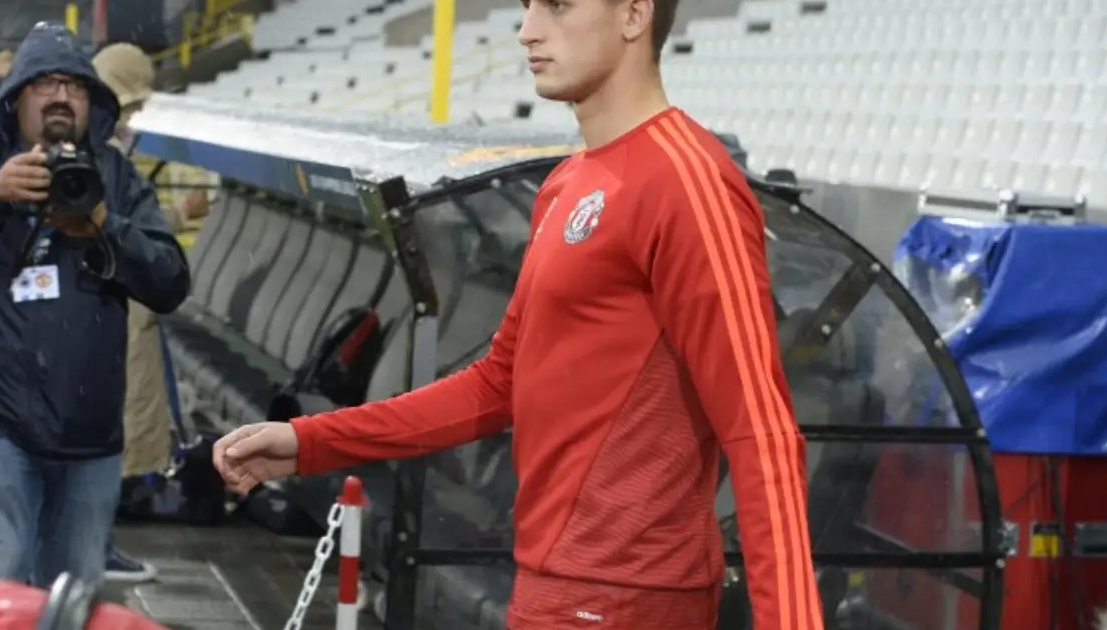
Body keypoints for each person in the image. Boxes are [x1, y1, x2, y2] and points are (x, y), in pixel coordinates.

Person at [213, 0, 823, 628]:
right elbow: (498, 381)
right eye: (528, 6)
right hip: (550, 586)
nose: (528, 30)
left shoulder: (689, 183)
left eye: (558, 5)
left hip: (628, 600)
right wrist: (312, 440)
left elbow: (762, 433)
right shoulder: (565, 184)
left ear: (634, 15)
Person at [0, 23, 191, 588]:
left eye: (74, 85)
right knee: (1, 582)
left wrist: (102, 226)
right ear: (17, 96)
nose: (60, 96)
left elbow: (169, 282)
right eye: (45, 83)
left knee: (74, 593)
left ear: (92, 102)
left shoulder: (114, 176)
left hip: (89, 433)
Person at [92, 41, 210, 584]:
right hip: (115, 306)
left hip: (120, 305)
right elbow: (124, 225)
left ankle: (98, 538)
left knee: (116, 420)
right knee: (112, 422)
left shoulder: (107, 150)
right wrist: (179, 213)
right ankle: (97, 543)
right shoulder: (101, 156)